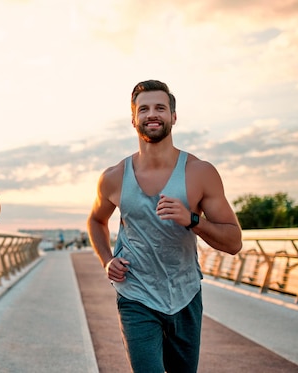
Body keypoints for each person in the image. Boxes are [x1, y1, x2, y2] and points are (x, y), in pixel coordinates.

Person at [87, 80, 242, 373]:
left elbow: (233, 242)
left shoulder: (200, 172)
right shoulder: (114, 176)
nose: (152, 114)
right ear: (133, 119)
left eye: (160, 107)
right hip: (136, 295)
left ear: (173, 116)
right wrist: (106, 260)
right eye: (143, 109)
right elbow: (96, 220)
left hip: (185, 296)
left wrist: (192, 220)